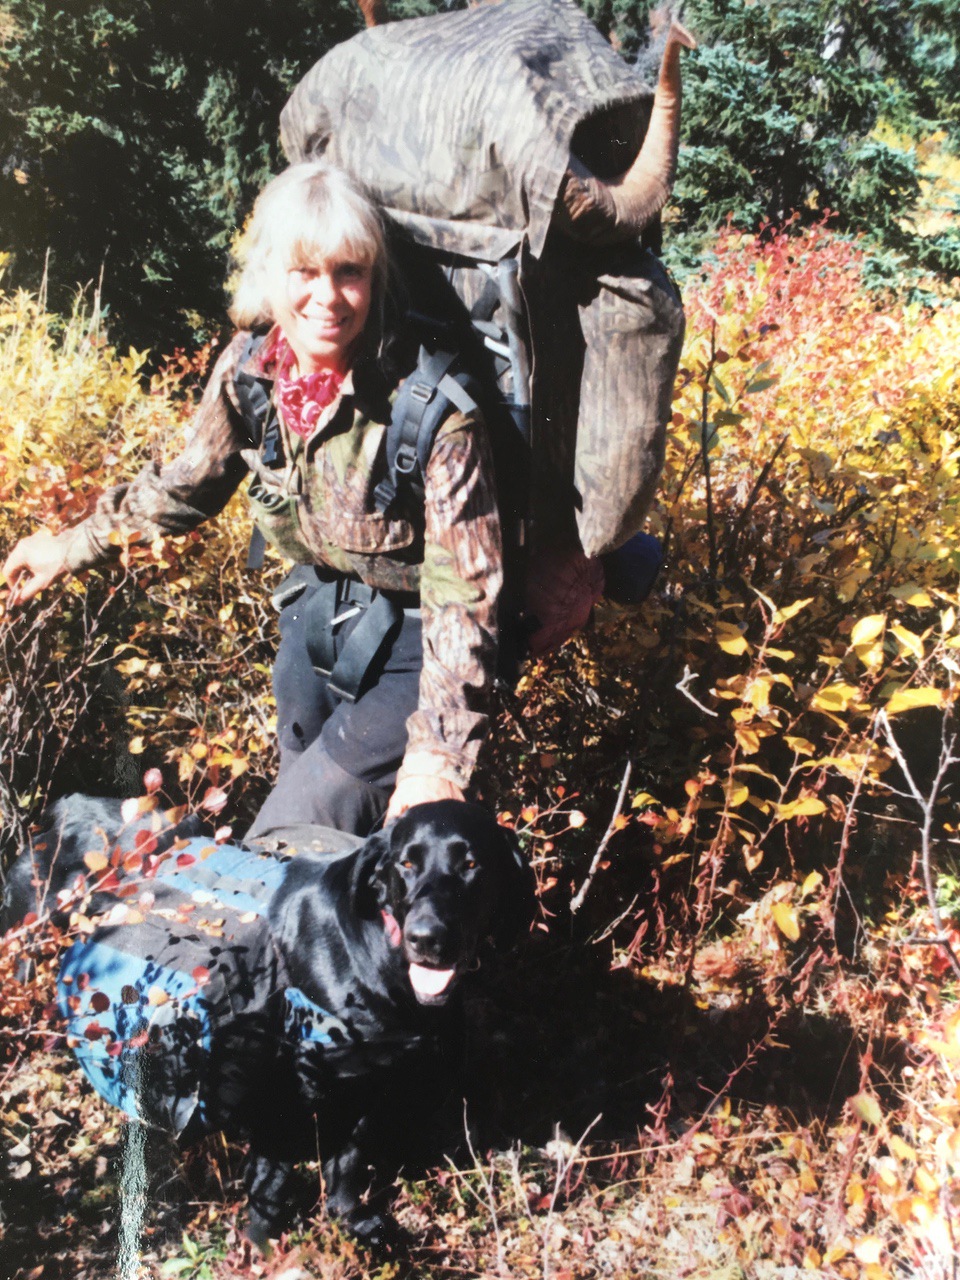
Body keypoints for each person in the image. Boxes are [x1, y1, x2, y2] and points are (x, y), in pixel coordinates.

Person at [2, 162, 503, 838]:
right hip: (317, 618)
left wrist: (440, 754)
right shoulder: (251, 373)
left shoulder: (430, 407)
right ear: (271, 275)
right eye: (305, 271)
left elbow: (466, 595)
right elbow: (186, 485)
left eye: (349, 272)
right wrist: (68, 545)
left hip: (421, 643)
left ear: (374, 279)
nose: (328, 296)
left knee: (293, 830)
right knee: (329, 858)